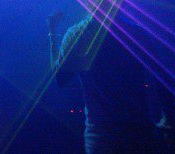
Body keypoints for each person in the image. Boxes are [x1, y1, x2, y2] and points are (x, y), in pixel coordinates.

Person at [48, 9, 165, 153]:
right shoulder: (136, 32)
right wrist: (168, 118)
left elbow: (60, 78)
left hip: (102, 138)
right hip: (140, 132)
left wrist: (52, 33)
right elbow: (161, 75)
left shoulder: (77, 34)